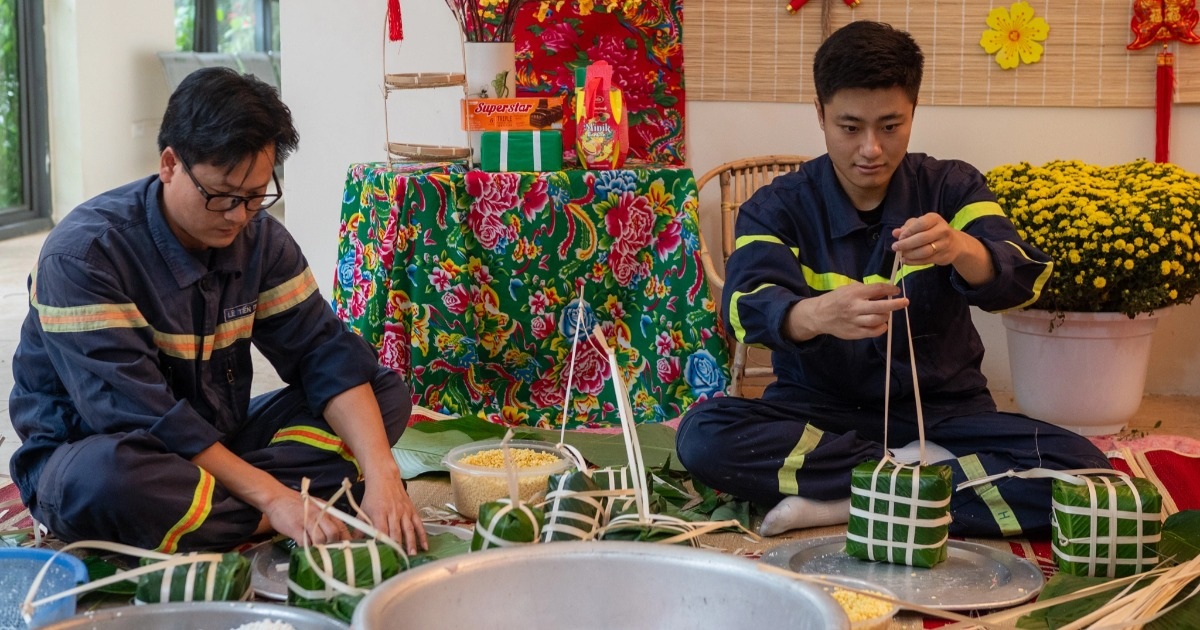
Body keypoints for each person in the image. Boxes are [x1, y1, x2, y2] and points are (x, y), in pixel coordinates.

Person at [675, 21, 1111, 539]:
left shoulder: (952, 185)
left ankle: (839, 500)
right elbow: (744, 307)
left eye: (890, 125)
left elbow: (1020, 280)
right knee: (703, 436)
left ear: (913, 111)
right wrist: (818, 314)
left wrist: (961, 249)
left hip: (945, 416)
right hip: (819, 418)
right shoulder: (779, 205)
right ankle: (915, 480)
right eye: (850, 126)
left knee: (1086, 469)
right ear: (819, 114)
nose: (871, 149)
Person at [8, 67, 428, 554]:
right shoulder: (84, 256)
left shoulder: (259, 238)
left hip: (217, 443)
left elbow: (323, 351)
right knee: (106, 481)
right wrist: (273, 497)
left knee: (379, 394)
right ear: (170, 164)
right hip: (107, 450)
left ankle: (220, 511)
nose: (238, 215)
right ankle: (278, 509)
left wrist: (383, 474)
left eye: (255, 197)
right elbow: (139, 416)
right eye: (222, 196)